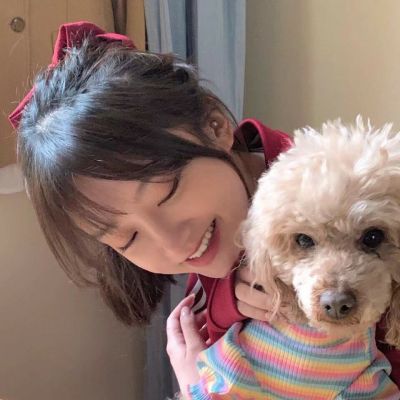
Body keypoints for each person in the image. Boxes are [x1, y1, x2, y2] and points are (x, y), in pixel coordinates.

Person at [10, 21, 400, 397]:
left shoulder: (354, 188)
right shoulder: (215, 237)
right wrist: (216, 325)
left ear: (216, 126)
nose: (173, 245)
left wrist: (196, 381)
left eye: (168, 193)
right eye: (128, 238)